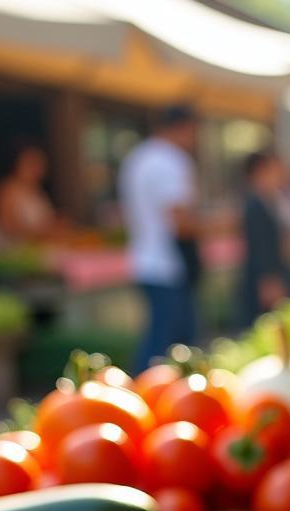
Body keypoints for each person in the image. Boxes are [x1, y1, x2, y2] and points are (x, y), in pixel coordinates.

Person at [119, 104, 200, 371]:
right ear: (184, 128)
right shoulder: (171, 161)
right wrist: (223, 224)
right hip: (168, 263)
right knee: (167, 345)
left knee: (162, 340)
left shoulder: (138, 157)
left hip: (144, 260)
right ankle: (143, 400)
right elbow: (179, 222)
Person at [237, 149, 290, 327]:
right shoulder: (254, 205)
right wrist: (269, 280)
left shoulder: (269, 201)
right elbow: (260, 245)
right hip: (262, 279)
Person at [0, 142, 59, 242]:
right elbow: (7, 230)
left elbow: (45, 221)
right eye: (32, 162)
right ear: (18, 163)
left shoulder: (38, 191)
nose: (37, 168)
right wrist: (43, 231)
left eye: (40, 163)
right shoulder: (7, 192)